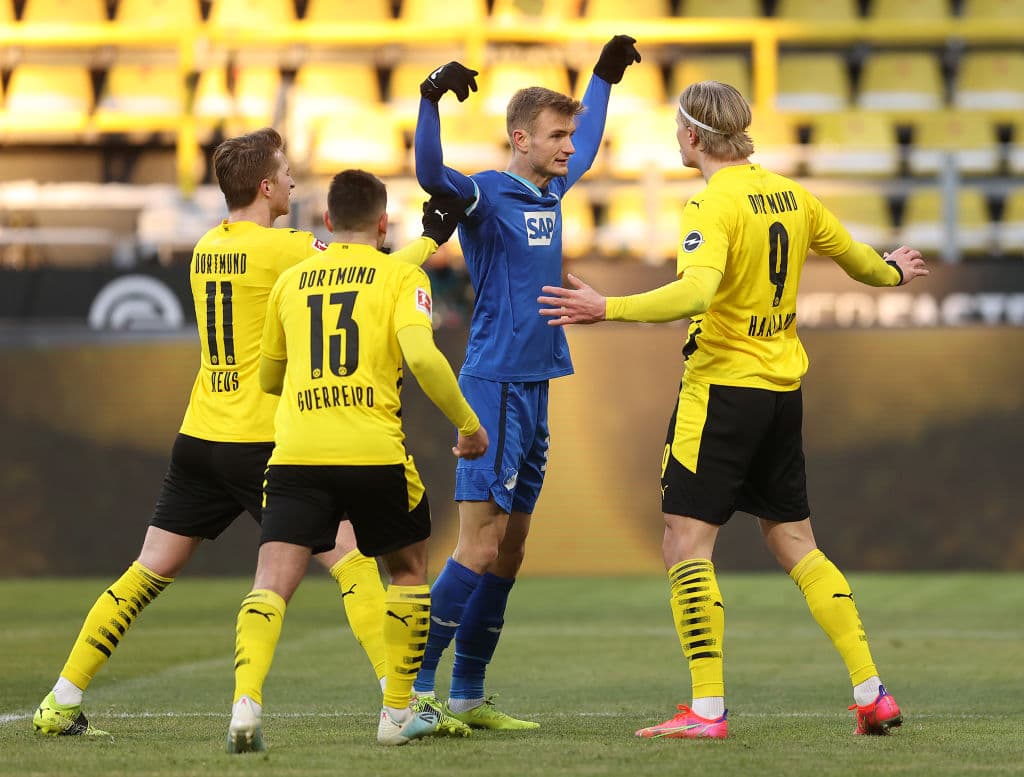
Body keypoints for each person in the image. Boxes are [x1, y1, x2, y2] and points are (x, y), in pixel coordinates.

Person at [32, 128, 463, 737]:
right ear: (265, 186)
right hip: (265, 441)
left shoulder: (206, 247)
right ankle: (404, 705)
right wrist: (433, 238)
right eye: (285, 173)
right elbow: (370, 269)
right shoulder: (284, 250)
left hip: (200, 435)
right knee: (356, 565)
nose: (292, 182)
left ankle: (61, 699)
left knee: (147, 571)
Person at [538, 80, 928, 740]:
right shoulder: (791, 196)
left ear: (691, 135)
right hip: (781, 392)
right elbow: (859, 259)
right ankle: (872, 691)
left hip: (721, 391)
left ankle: (707, 708)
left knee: (684, 541)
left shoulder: (712, 204)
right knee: (794, 539)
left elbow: (694, 292)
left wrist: (609, 308)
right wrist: (892, 271)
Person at [409, 36, 642, 730]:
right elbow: (429, 174)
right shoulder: (486, 193)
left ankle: (469, 693)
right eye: (556, 136)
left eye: (569, 134)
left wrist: (601, 78)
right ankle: (414, 689)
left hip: (536, 383)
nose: (570, 147)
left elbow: (595, 140)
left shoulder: (552, 188)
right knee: (478, 544)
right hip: (495, 383)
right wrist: (428, 99)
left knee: (511, 548)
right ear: (521, 139)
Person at [226, 169, 487, 751]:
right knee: (409, 570)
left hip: (297, 453)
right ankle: (396, 713)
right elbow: (422, 357)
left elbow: (268, 377)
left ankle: (245, 705)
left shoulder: (291, 282)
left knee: (271, 581)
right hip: (373, 452)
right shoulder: (400, 276)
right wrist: (469, 425)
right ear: (383, 222)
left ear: (325, 222)